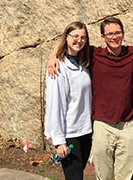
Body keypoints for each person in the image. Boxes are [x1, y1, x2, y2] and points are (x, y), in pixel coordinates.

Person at [49, 17, 133, 180]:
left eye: (117, 32)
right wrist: (52, 56)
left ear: (123, 34)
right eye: (109, 34)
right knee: (103, 176)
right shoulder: (94, 54)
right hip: (102, 125)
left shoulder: (132, 53)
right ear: (103, 37)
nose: (114, 37)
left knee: (125, 176)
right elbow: (71, 43)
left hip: (126, 125)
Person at [44, 22, 93, 180]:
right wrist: (59, 141)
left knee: (78, 174)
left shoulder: (84, 62)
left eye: (83, 38)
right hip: (69, 134)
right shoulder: (58, 67)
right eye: (75, 36)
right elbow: (55, 105)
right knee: (74, 177)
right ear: (66, 37)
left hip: (86, 131)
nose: (79, 40)